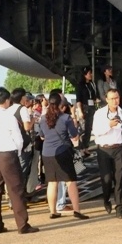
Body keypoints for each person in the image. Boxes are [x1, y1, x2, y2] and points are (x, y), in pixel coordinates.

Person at [0, 87, 39, 235]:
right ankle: (22, 224)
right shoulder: (9, 117)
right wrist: (17, 152)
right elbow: (19, 139)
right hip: (8, 155)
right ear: (7, 101)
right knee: (16, 190)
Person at [40, 91, 90, 220]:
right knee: (70, 182)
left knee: (52, 183)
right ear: (61, 104)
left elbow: (41, 136)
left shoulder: (43, 119)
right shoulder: (65, 118)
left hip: (47, 153)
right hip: (63, 152)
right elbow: (74, 136)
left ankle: (53, 211)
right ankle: (77, 210)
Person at [92, 88, 122, 218]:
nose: (115, 101)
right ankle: (106, 199)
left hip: (119, 148)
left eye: (117, 98)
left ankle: (120, 208)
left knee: (119, 179)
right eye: (112, 99)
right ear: (107, 100)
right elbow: (96, 131)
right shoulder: (99, 113)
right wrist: (109, 125)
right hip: (104, 149)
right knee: (107, 179)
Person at [75, 66, 100, 151]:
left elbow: (93, 95)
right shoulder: (80, 85)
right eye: (89, 73)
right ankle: (81, 148)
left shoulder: (92, 84)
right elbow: (78, 99)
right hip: (84, 107)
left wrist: (95, 99)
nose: (91, 75)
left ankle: (86, 147)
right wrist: (80, 111)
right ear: (85, 75)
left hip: (91, 106)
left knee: (89, 128)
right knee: (83, 128)